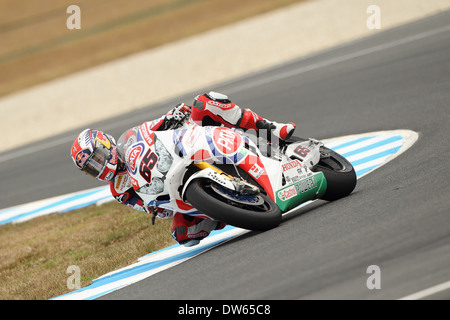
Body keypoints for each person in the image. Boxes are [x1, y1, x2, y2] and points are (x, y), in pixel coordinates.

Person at [70, 92, 295, 247]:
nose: (99, 167)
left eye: (97, 158)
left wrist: (173, 115)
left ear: (106, 143)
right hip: (176, 191)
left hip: (187, 147)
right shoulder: (120, 190)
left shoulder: (129, 138)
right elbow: (154, 209)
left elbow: (154, 127)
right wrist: (157, 209)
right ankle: (230, 210)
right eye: (92, 168)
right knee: (183, 236)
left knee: (204, 102)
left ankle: (269, 129)